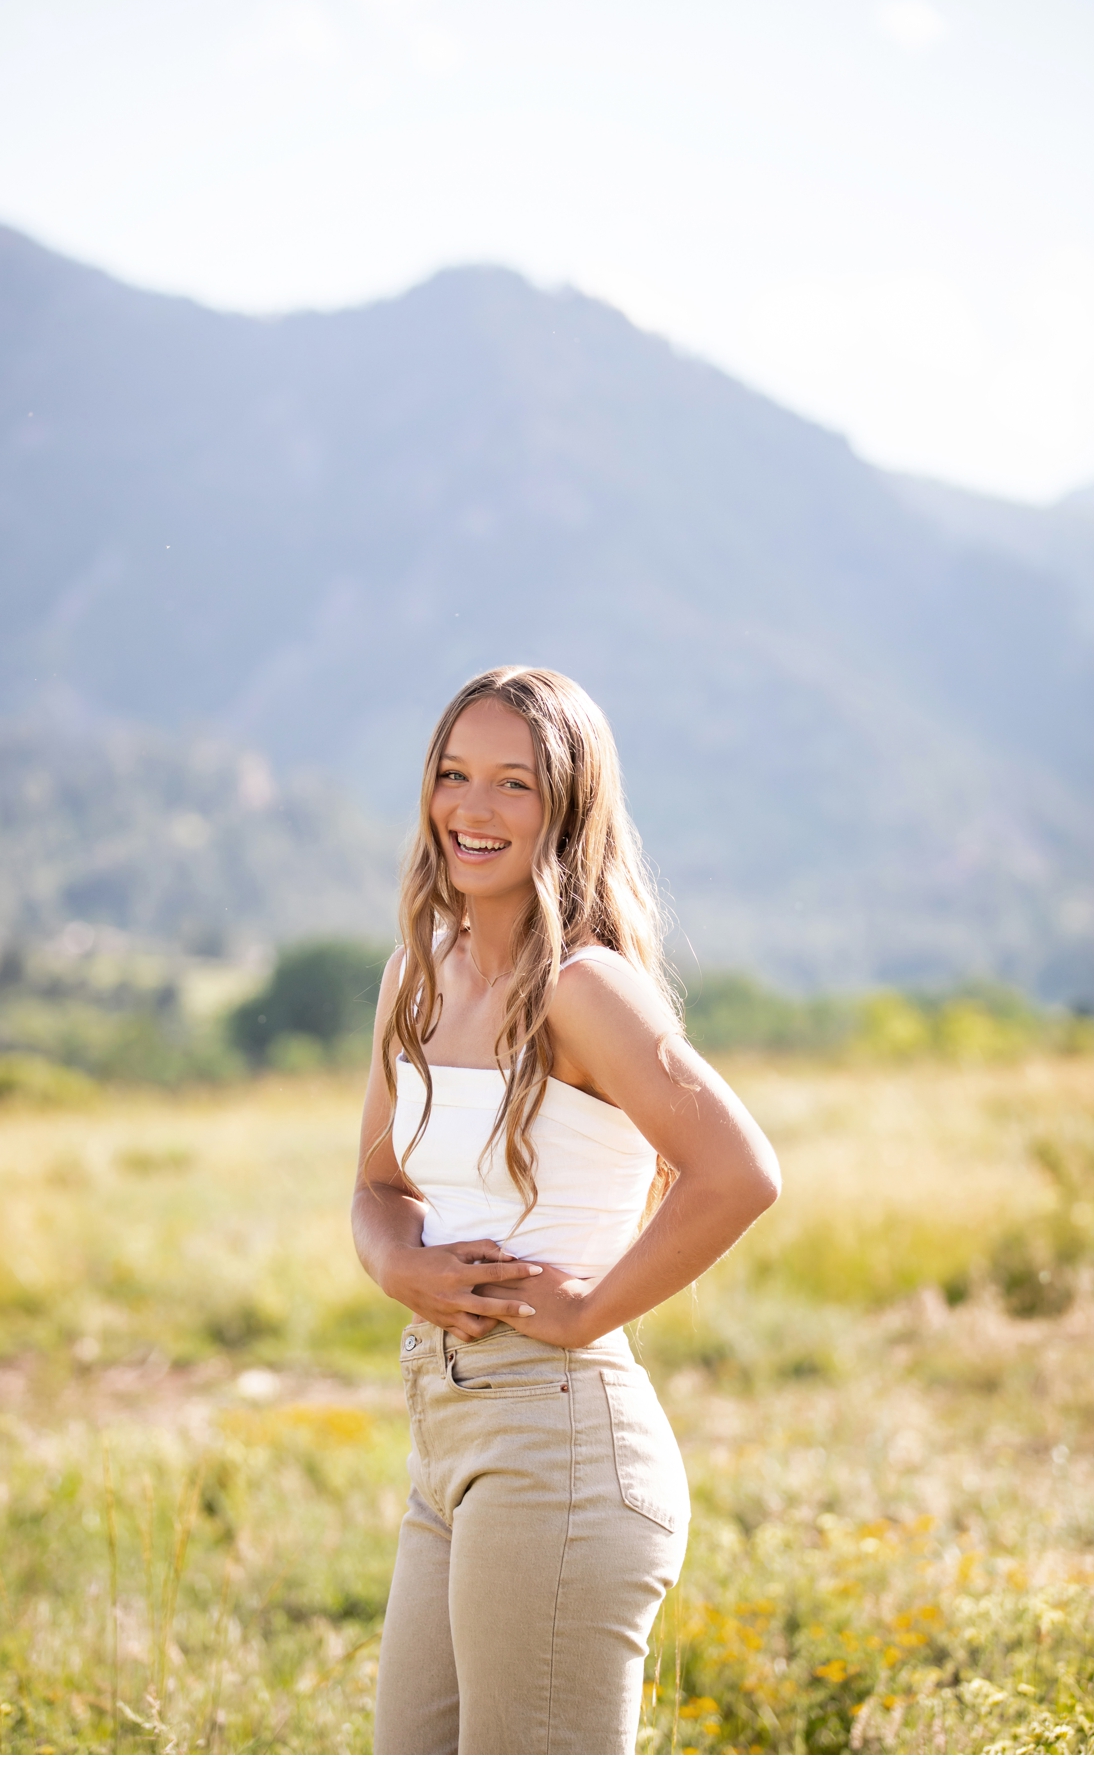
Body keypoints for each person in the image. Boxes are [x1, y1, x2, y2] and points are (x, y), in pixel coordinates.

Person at [352, 665, 781, 1753]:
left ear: (568, 808)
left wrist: (590, 1305)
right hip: (445, 1435)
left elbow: (738, 1171)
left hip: (560, 1441)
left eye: (513, 784)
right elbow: (378, 1186)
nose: (471, 809)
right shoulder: (417, 975)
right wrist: (399, 1264)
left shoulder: (585, 989)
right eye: (454, 775)